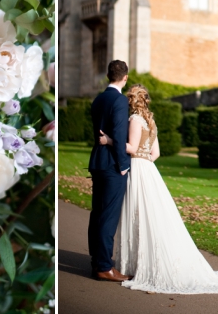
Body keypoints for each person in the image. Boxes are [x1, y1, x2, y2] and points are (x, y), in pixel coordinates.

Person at [98, 85, 218, 294]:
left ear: (131, 101)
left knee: (140, 216)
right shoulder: (151, 123)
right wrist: (146, 164)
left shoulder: (134, 120)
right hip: (149, 169)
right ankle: (139, 261)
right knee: (149, 216)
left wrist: (109, 140)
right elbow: (156, 153)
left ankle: (137, 265)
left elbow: (132, 148)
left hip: (138, 168)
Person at [86, 60, 133, 282]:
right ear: (125, 77)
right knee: (108, 217)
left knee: (97, 215)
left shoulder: (98, 99)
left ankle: (97, 261)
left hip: (97, 162)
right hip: (113, 165)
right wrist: (124, 166)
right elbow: (119, 133)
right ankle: (104, 266)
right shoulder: (119, 100)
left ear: (108, 75)